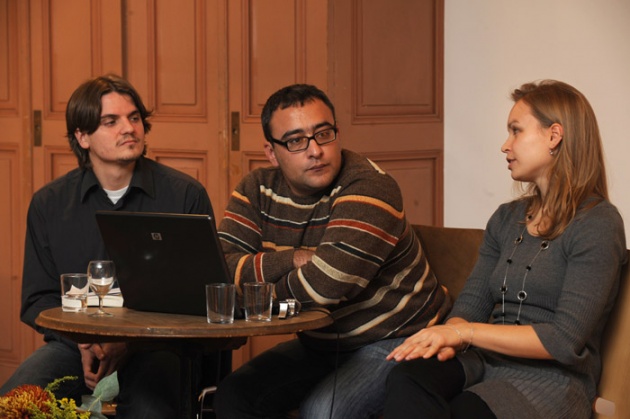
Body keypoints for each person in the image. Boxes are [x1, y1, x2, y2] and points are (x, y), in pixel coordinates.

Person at [383, 80, 627, 419]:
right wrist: (447, 336)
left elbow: (563, 340)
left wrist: (465, 332)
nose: (505, 145)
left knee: (465, 411)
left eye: (516, 131)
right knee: (407, 378)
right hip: (484, 360)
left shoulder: (598, 223)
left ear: (554, 136)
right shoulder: (506, 218)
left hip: (552, 381)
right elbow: (470, 305)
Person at [212, 83, 452, 419]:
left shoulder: (369, 186)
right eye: (296, 141)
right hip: (322, 342)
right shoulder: (256, 189)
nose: (315, 150)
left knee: (323, 411)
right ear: (271, 152)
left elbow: (324, 286)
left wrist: (254, 293)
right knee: (233, 396)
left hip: (397, 336)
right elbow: (221, 269)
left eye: (323, 134)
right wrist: (294, 259)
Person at [0, 74, 217, 418]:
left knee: (150, 410)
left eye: (134, 118)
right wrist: (84, 341)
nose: (129, 128)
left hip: (158, 347)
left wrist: (126, 341)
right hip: (75, 347)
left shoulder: (184, 195)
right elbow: (37, 299)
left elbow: (202, 296)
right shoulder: (48, 203)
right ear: (82, 136)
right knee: (13, 403)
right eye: (111, 121)